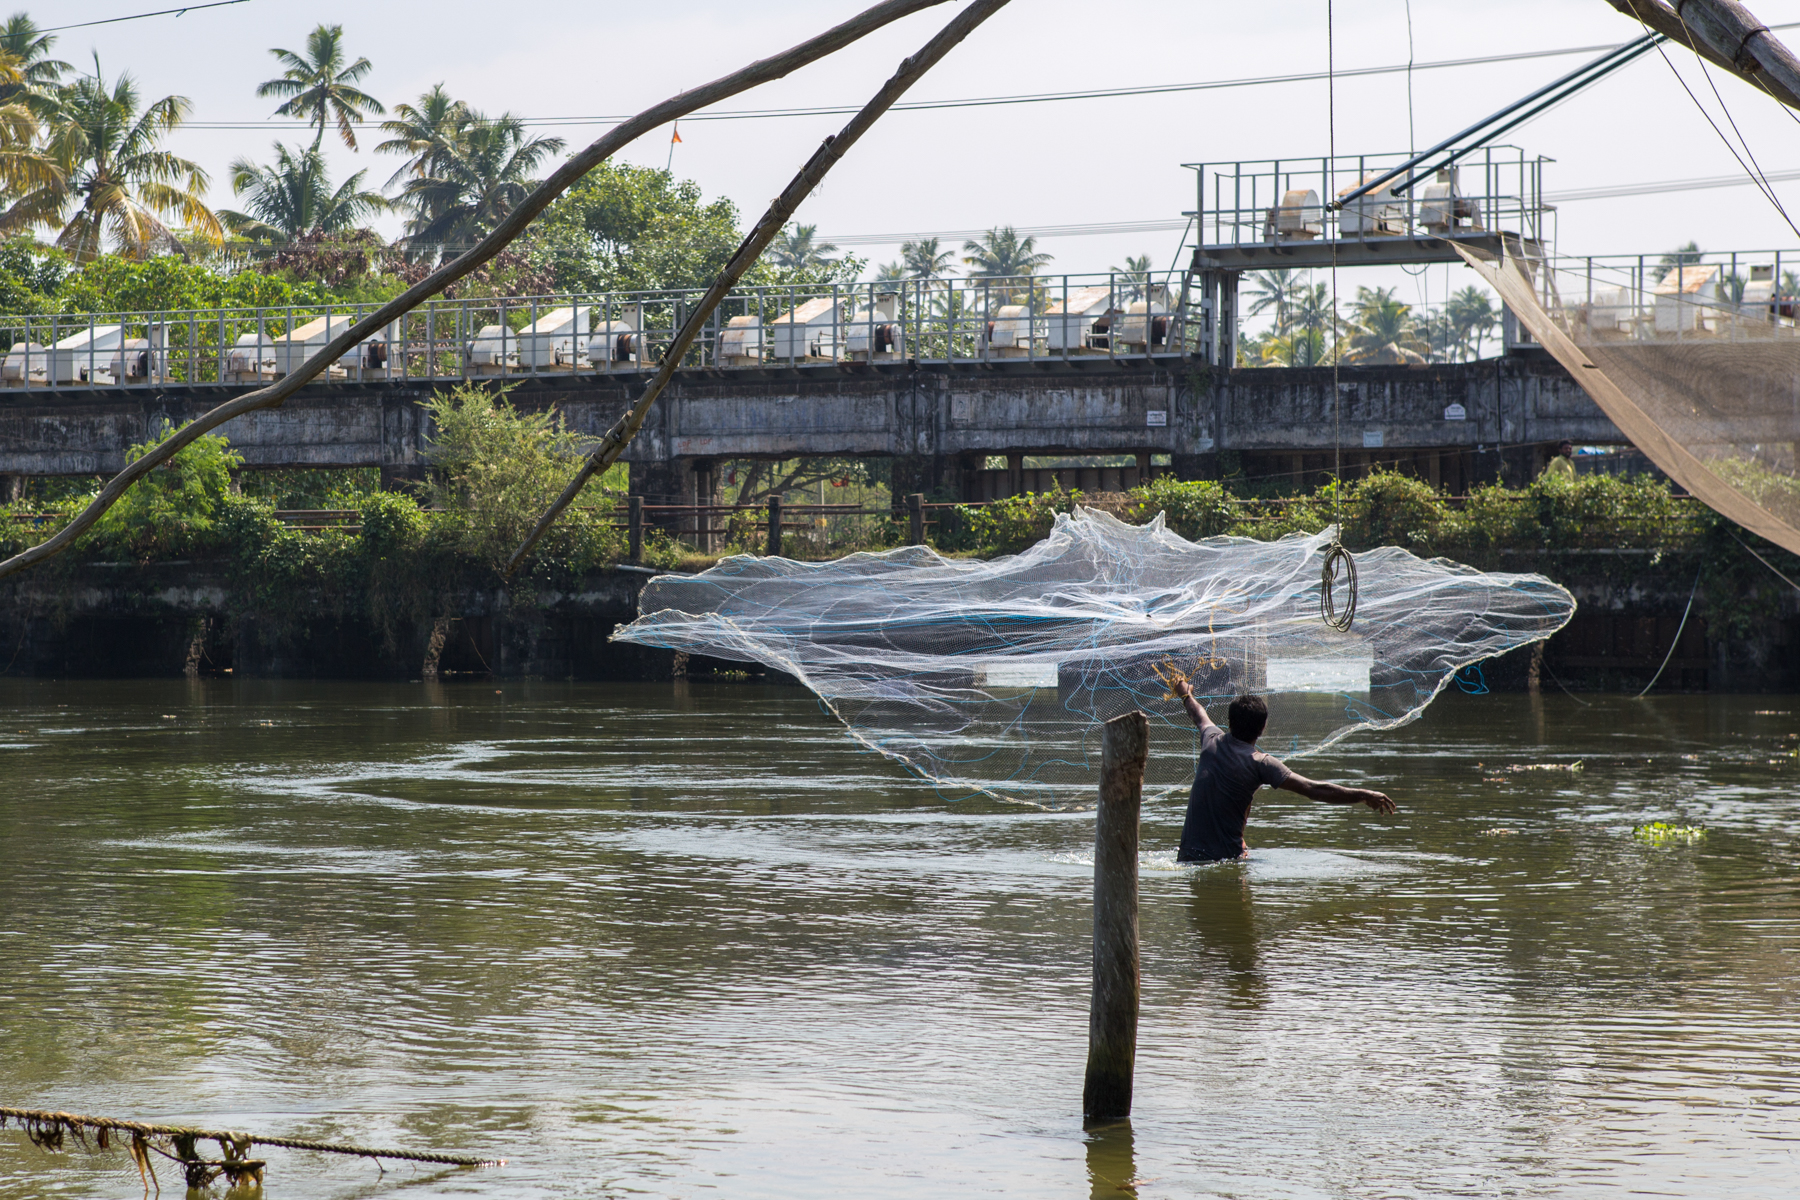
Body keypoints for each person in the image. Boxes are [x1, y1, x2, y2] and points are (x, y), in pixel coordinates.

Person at [1171, 683, 1395, 862]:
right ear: (1262, 728)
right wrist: (1363, 794)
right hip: (1226, 860)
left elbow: (1197, 714)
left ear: (1229, 722)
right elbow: (1314, 790)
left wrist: (1185, 694)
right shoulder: (1261, 763)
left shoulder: (1211, 741)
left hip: (1187, 857)